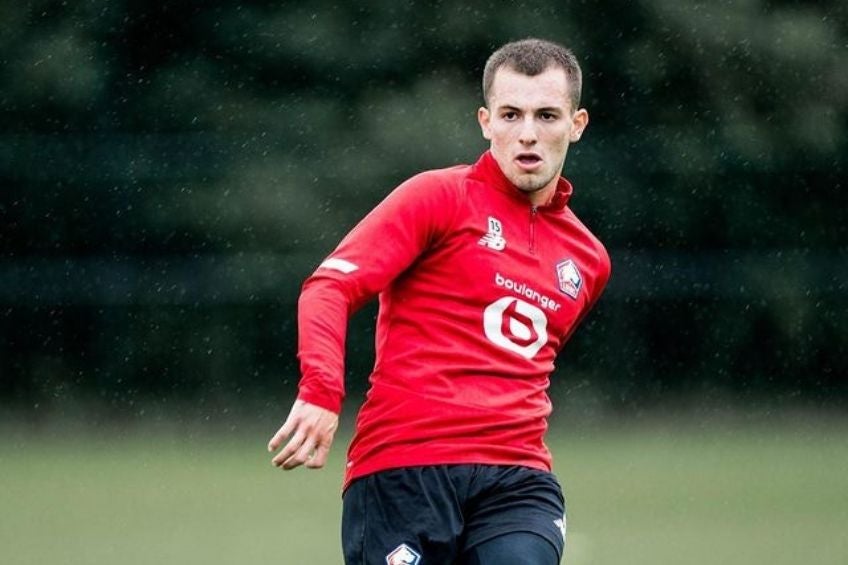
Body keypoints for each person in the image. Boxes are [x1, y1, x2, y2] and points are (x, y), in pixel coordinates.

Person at [268, 38, 610, 565]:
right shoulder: (437, 198)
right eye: (510, 114)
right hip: (403, 471)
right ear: (485, 121)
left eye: (546, 115)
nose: (527, 134)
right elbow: (329, 287)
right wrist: (320, 391)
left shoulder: (588, 259)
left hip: (518, 479)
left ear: (577, 124)